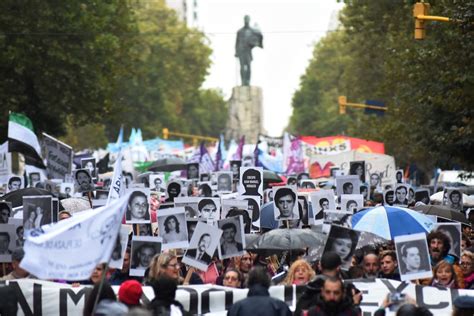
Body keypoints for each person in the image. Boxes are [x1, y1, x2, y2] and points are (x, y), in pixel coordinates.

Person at [235, 15, 263, 86]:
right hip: (241, 50)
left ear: (249, 20)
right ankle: (243, 82)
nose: (246, 20)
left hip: (248, 50)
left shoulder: (252, 30)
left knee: (248, 66)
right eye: (245, 19)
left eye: (247, 19)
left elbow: (259, 36)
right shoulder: (240, 31)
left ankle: (248, 81)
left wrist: (258, 43)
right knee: (242, 67)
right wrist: (236, 51)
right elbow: (237, 42)